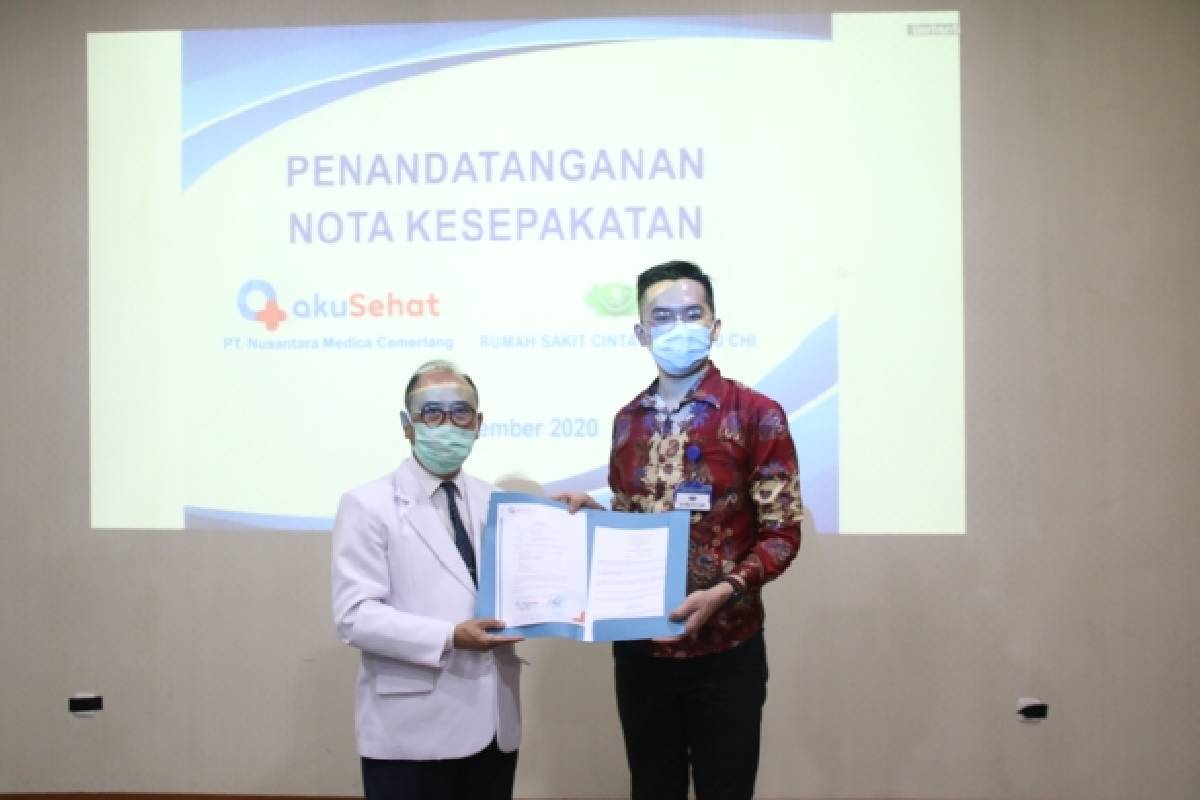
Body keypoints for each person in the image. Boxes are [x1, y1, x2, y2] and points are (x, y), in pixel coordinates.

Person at [557, 260, 803, 800]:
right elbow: (633, 519)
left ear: (715, 325)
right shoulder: (628, 420)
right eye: (663, 317)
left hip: (727, 651)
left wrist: (725, 591)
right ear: (641, 333)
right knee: (651, 789)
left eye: (693, 314)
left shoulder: (756, 414)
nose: (679, 327)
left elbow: (782, 534)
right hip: (641, 653)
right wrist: (593, 513)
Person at [331, 359, 523, 800]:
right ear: (407, 425)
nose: (447, 425)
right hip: (411, 729)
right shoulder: (367, 504)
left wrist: (574, 524)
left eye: (461, 413)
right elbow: (354, 616)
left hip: (494, 726)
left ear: (478, 424)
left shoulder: (498, 502)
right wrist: (450, 636)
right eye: (431, 413)